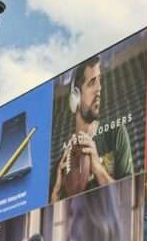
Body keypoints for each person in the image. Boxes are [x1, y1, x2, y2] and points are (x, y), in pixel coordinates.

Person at [51, 55, 133, 201]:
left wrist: (98, 169)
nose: (99, 88)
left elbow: (129, 199)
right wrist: (56, 194)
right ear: (75, 97)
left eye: (99, 80)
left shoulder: (115, 132)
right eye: (92, 83)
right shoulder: (62, 162)